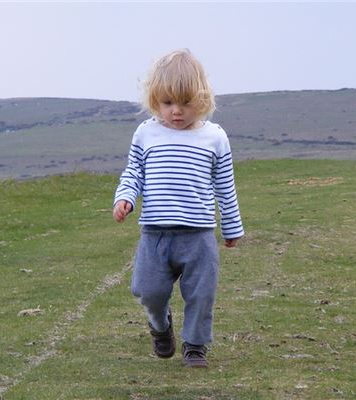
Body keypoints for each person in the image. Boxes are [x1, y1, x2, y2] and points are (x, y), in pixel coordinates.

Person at [113, 49, 244, 368]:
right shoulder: (146, 133)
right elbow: (134, 172)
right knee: (147, 291)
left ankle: (196, 345)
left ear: (201, 99)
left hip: (198, 236)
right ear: (155, 100)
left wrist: (232, 227)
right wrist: (125, 197)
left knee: (201, 294)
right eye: (168, 103)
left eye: (185, 103)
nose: (176, 112)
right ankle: (160, 326)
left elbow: (225, 186)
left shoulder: (214, 137)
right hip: (155, 235)